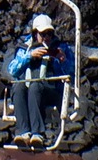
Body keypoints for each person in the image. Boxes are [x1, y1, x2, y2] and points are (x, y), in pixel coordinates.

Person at [5, 13, 72, 147]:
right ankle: (23, 132)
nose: (47, 37)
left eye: (49, 34)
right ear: (35, 33)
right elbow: (12, 70)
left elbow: (71, 72)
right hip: (30, 88)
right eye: (43, 34)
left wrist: (61, 60)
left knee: (36, 87)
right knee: (19, 87)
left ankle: (37, 133)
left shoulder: (61, 48)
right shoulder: (24, 48)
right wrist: (29, 57)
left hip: (52, 90)